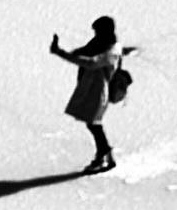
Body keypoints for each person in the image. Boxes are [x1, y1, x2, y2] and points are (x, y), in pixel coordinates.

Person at [50, 17, 130, 173]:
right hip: (91, 88)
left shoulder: (111, 51)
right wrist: (71, 53)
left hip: (98, 91)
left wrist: (61, 53)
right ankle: (106, 154)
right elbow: (85, 52)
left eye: (97, 31)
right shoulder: (100, 43)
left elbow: (92, 63)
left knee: (93, 123)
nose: (95, 34)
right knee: (93, 123)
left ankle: (103, 155)